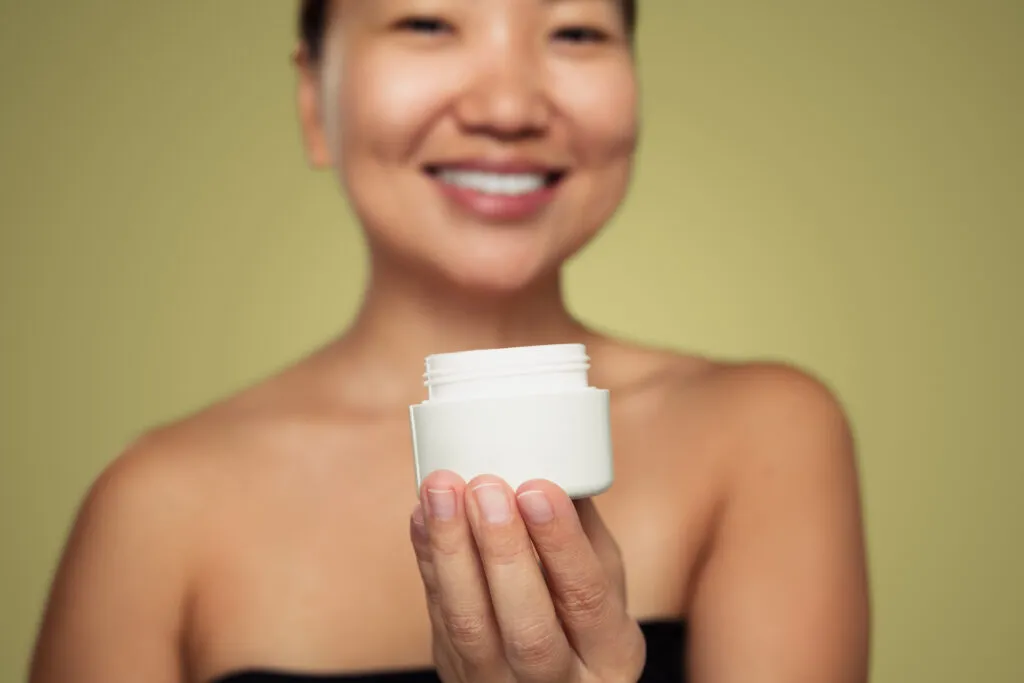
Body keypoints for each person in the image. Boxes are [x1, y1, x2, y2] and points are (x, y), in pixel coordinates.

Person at [28, 1, 871, 682]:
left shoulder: (764, 436)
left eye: (575, 31)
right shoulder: (155, 508)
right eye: (427, 23)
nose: (507, 108)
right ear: (312, 97)